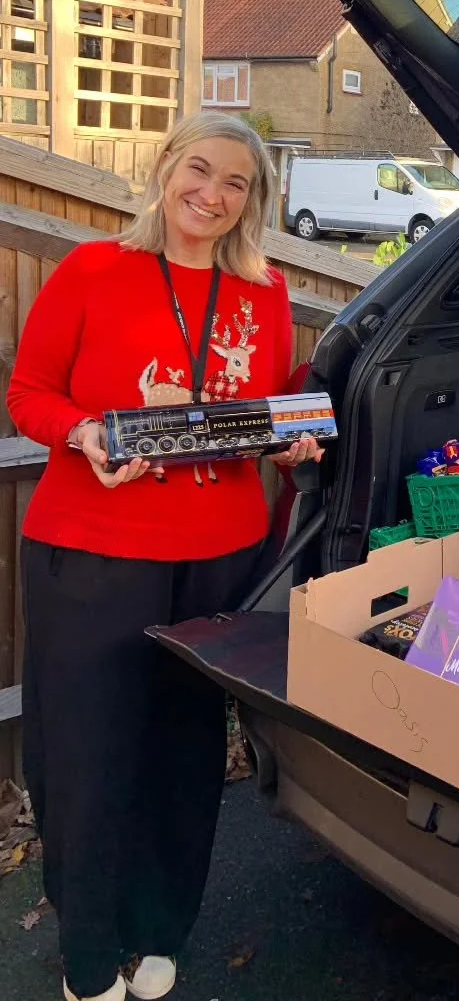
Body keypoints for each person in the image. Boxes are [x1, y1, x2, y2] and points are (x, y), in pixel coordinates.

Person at [7, 113, 324, 1001]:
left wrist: (286, 444)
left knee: (182, 750)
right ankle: (88, 947)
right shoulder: (92, 270)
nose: (212, 195)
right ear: (165, 169)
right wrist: (84, 430)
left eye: (236, 184)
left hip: (218, 554)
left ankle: (160, 927)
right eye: (200, 170)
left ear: (253, 200)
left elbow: (254, 415)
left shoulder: (264, 297)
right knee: (87, 751)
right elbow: (29, 394)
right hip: (92, 551)